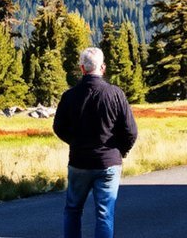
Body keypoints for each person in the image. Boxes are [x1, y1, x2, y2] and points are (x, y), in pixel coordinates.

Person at [53, 47, 138, 238]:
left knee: (73, 210)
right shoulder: (116, 94)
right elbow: (131, 131)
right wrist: (120, 151)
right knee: (104, 214)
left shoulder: (69, 96)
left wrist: (74, 142)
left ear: (82, 68)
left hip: (79, 162)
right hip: (108, 162)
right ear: (103, 67)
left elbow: (58, 127)